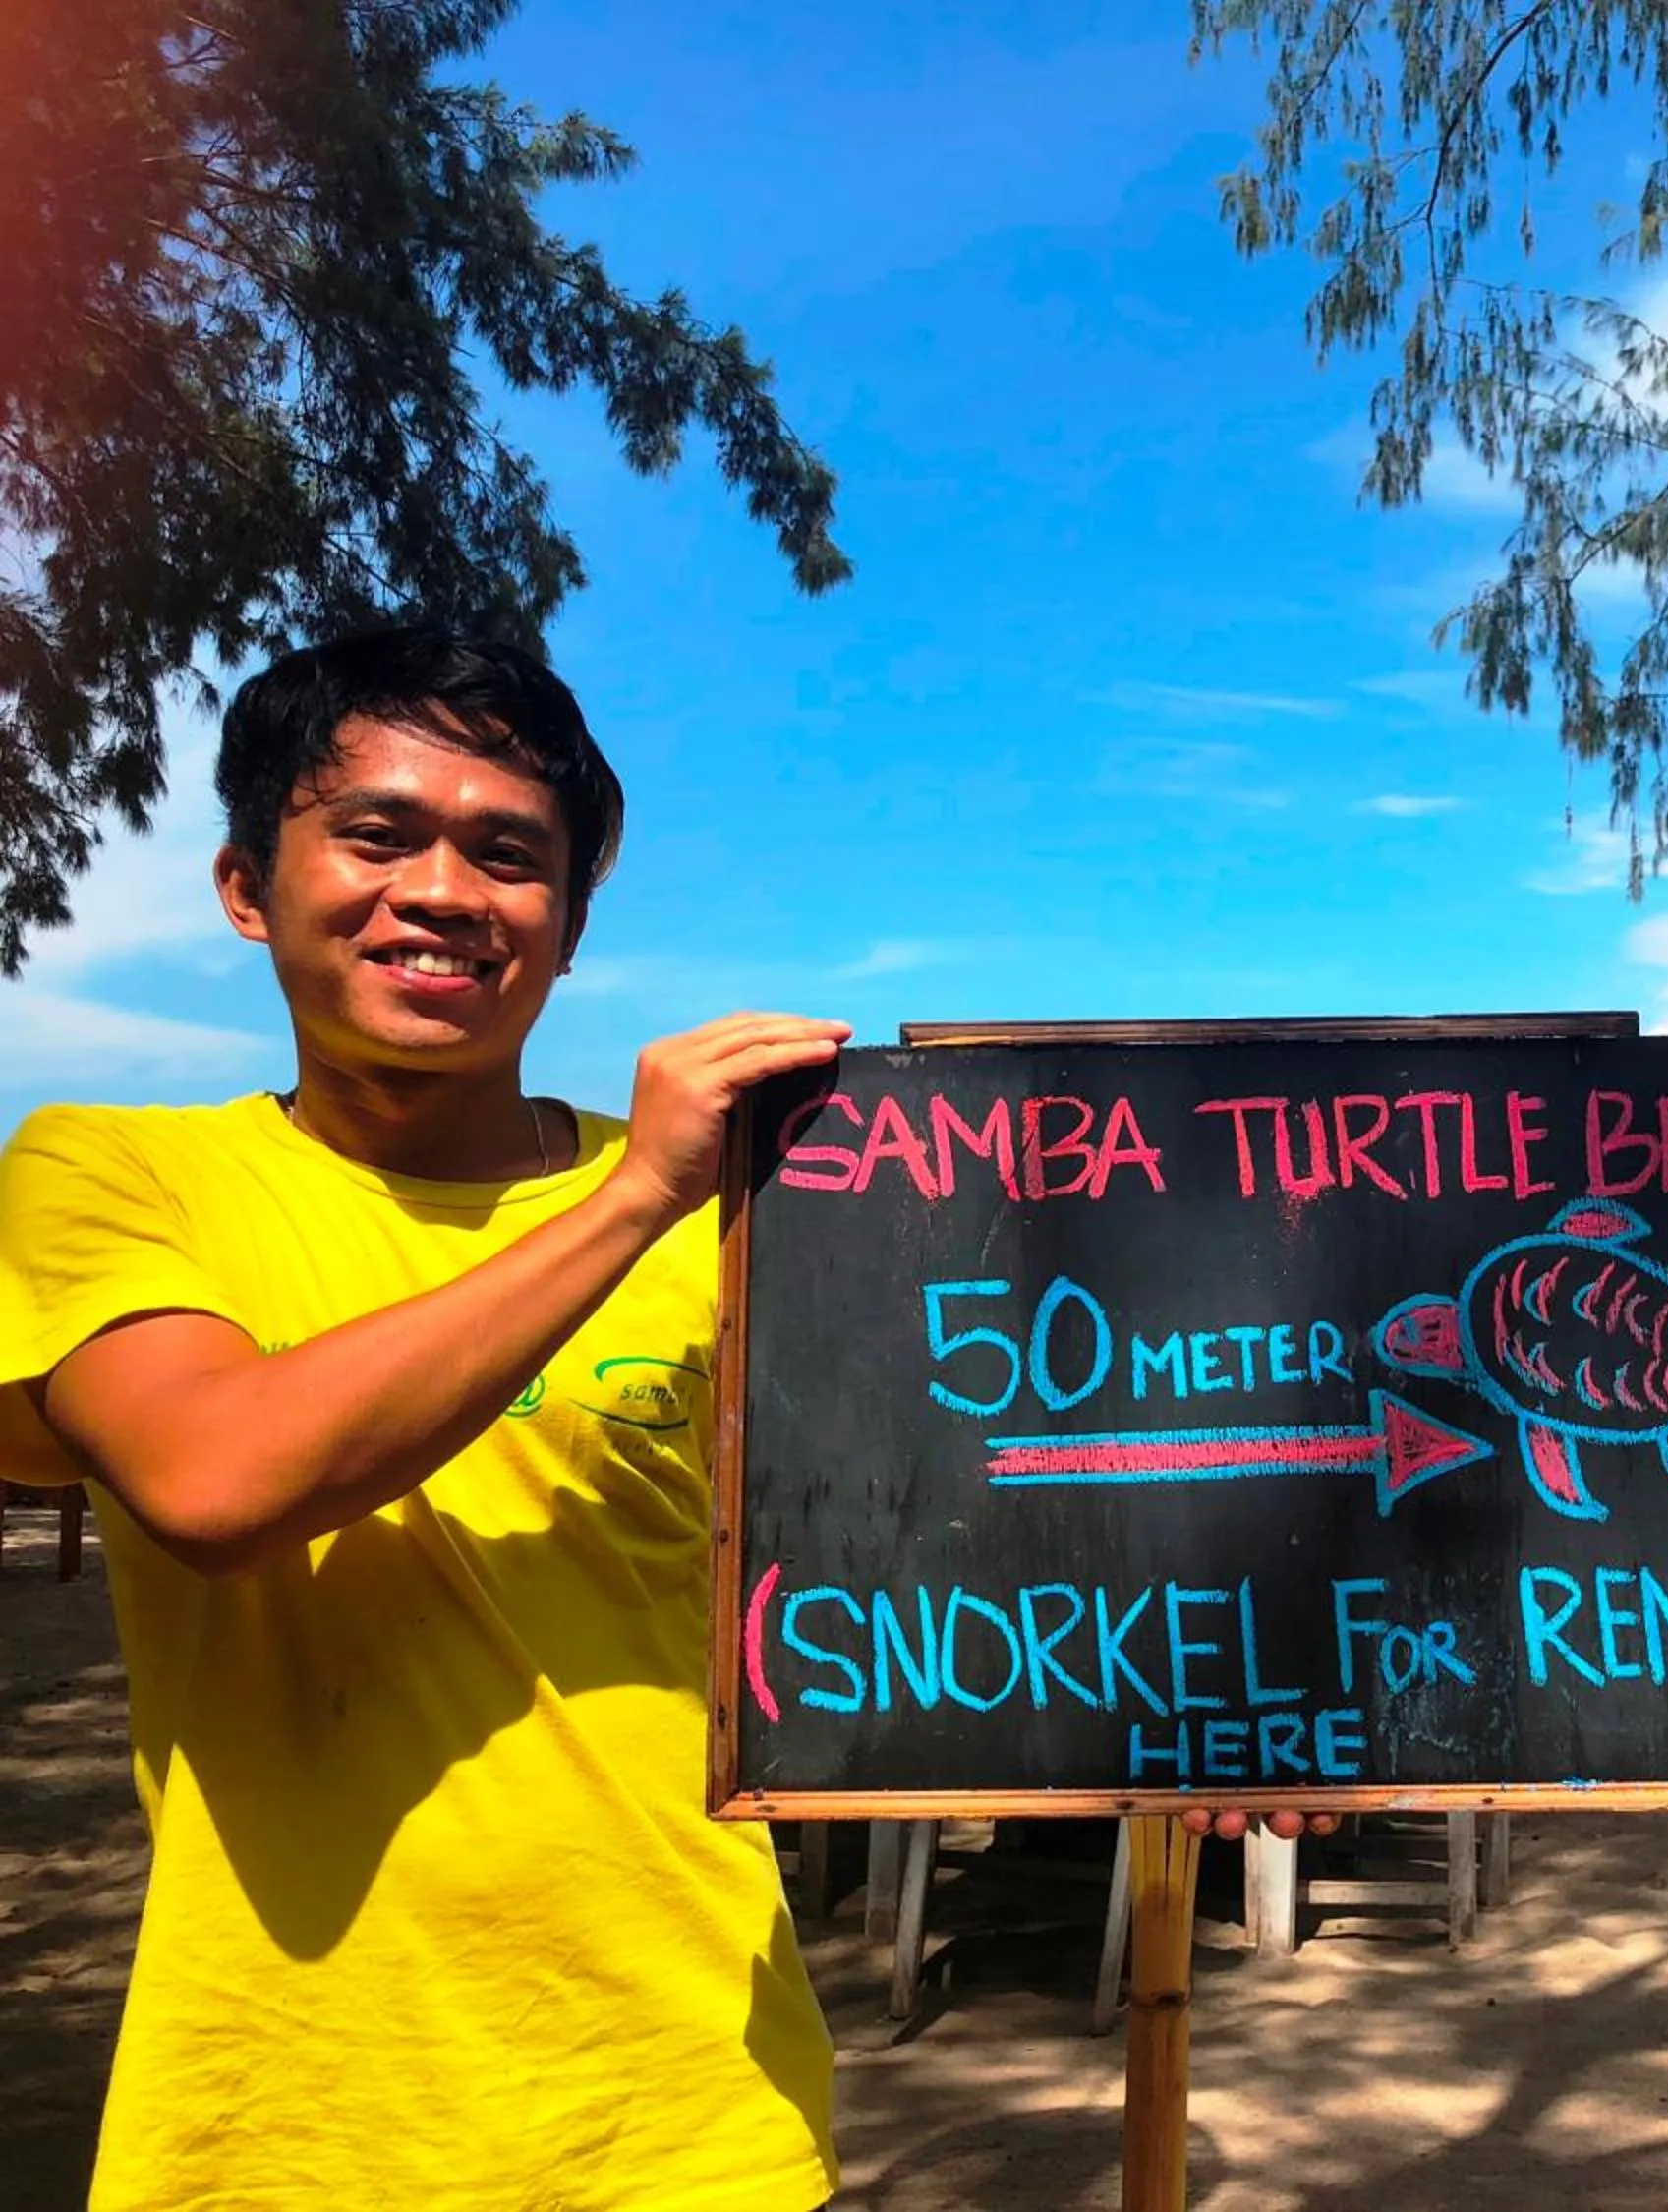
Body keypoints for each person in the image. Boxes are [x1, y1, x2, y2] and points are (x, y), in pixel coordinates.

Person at [0, 629, 1311, 2208]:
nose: (441, 891)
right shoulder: (115, 1175)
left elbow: (946, 1538)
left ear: (567, 926)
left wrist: (1195, 1692)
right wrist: (632, 1194)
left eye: (509, 855)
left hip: (690, 2111)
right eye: (376, 833)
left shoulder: (759, 1218)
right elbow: (215, 1480)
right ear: (242, 882)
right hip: (281, 2130)